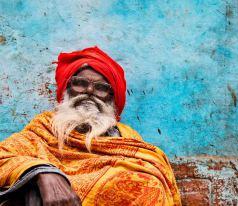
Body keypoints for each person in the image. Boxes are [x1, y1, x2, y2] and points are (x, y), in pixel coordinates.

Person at [0, 46, 181, 206]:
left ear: (111, 98)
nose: (89, 92)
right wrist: (42, 172)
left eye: (101, 88)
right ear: (66, 89)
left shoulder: (127, 138)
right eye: (80, 84)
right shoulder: (44, 128)